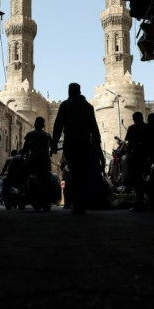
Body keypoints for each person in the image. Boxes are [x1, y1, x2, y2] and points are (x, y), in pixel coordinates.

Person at [51, 83, 101, 214]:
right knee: (82, 172)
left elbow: (58, 126)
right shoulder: (88, 107)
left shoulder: (65, 105)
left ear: (70, 91)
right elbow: (94, 128)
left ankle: (77, 203)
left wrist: (54, 143)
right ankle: (80, 203)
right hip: (84, 142)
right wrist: (97, 144)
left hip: (71, 142)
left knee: (74, 172)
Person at [21, 117, 54, 212]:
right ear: (43, 126)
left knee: (23, 173)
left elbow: (25, 148)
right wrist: (50, 154)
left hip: (33, 161)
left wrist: (22, 158)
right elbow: (52, 148)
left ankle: (24, 191)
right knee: (47, 179)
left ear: (35, 124)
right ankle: (46, 201)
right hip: (45, 161)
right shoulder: (47, 135)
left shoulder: (30, 134)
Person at [123, 111, 153, 211]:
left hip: (136, 157)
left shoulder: (132, 128)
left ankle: (140, 202)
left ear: (134, 119)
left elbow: (129, 144)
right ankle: (149, 201)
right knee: (147, 178)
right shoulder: (148, 127)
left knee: (137, 180)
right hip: (147, 156)